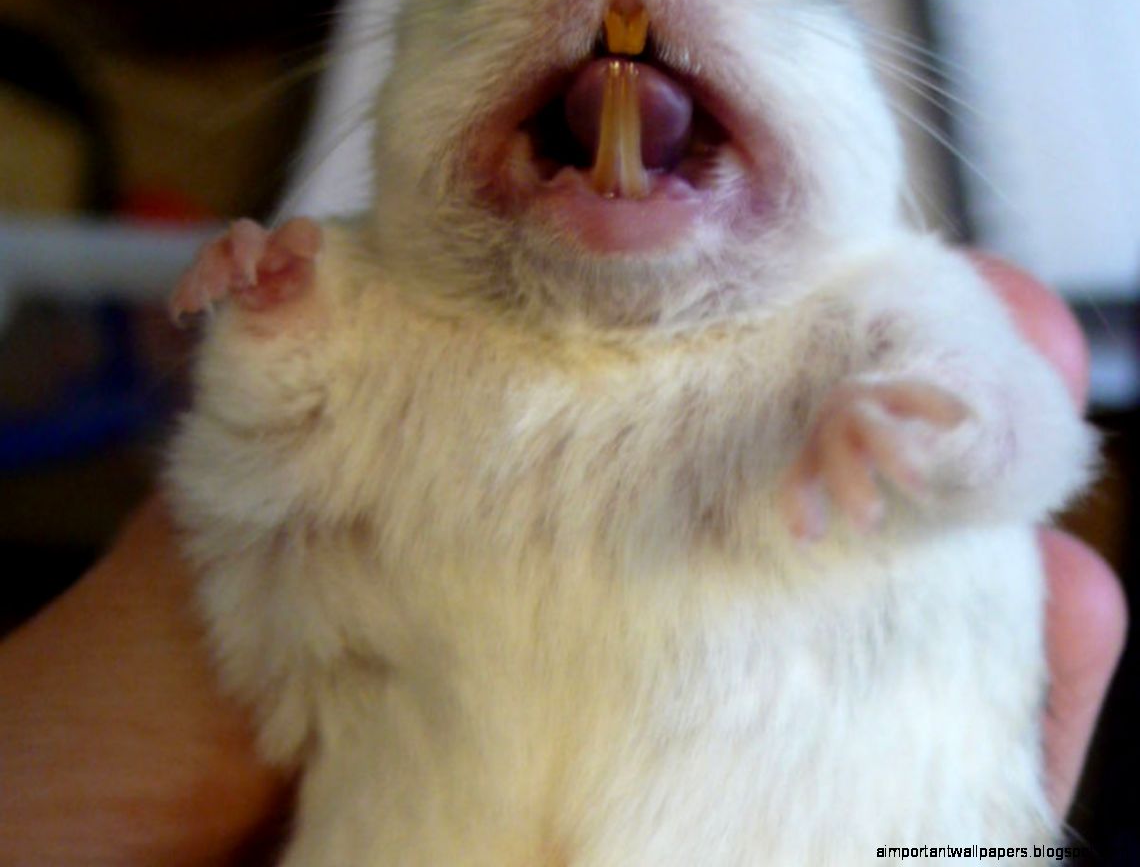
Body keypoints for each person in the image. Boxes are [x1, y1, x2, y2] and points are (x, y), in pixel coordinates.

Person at [0, 257, 1126, 867]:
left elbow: (1030, 449)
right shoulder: (388, 301)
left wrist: (940, 424)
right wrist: (283, 355)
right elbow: (267, 595)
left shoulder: (883, 287)